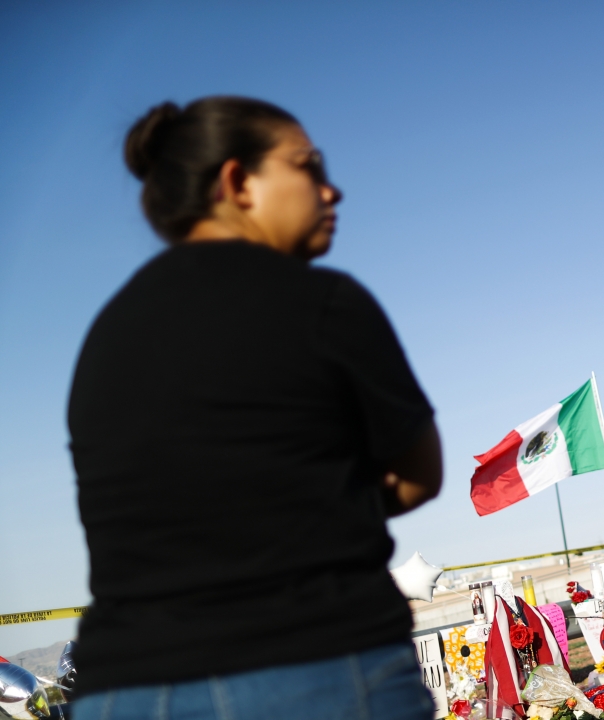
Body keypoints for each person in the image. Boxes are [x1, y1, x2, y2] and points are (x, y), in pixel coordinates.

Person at [68, 97, 443, 720]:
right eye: (309, 167)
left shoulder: (104, 335)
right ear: (238, 182)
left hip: (122, 690)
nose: (333, 191)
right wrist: (314, 495)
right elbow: (418, 475)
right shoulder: (326, 301)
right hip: (314, 668)